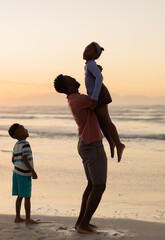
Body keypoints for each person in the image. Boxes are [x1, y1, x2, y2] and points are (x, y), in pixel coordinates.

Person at [54, 74, 107, 234]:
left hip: (86, 144)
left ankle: (81, 222)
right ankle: (83, 224)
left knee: (92, 185)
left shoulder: (74, 99)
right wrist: (98, 77)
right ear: (69, 86)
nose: (74, 78)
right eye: (70, 78)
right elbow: (103, 98)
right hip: (92, 145)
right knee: (99, 186)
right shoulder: (79, 100)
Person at [83, 42, 125, 161]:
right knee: (101, 123)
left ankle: (119, 144)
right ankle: (111, 143)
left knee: (106, 121)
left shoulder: (91, 64)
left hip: (99, 96)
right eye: (85, 49)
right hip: (96, 97)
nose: (85, 51)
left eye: (89, 50)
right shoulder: (89, 65)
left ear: (96, 54)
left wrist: (94, 97)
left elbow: (99, 78)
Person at [8, 123, 38, 225]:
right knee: (27, 196)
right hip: (24, 174)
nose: (26, 129)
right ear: (18, 134)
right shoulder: (25, 143)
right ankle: (28, 219)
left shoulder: (16, 145)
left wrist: (18, 166)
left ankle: (17, 217)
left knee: (20, 196)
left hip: (16, 173)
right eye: (23, 128)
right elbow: (25, 158)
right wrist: (32, 171)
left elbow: (13, 159)